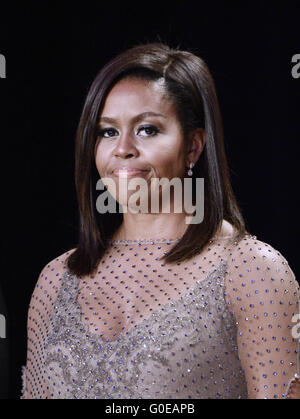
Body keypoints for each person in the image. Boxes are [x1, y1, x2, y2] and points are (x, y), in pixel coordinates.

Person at [21, 42, 300, 399]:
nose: (123, 149)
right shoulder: (56, 279)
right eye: (107, 131)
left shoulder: (251, 270)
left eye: (147, 129)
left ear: (194, 147)